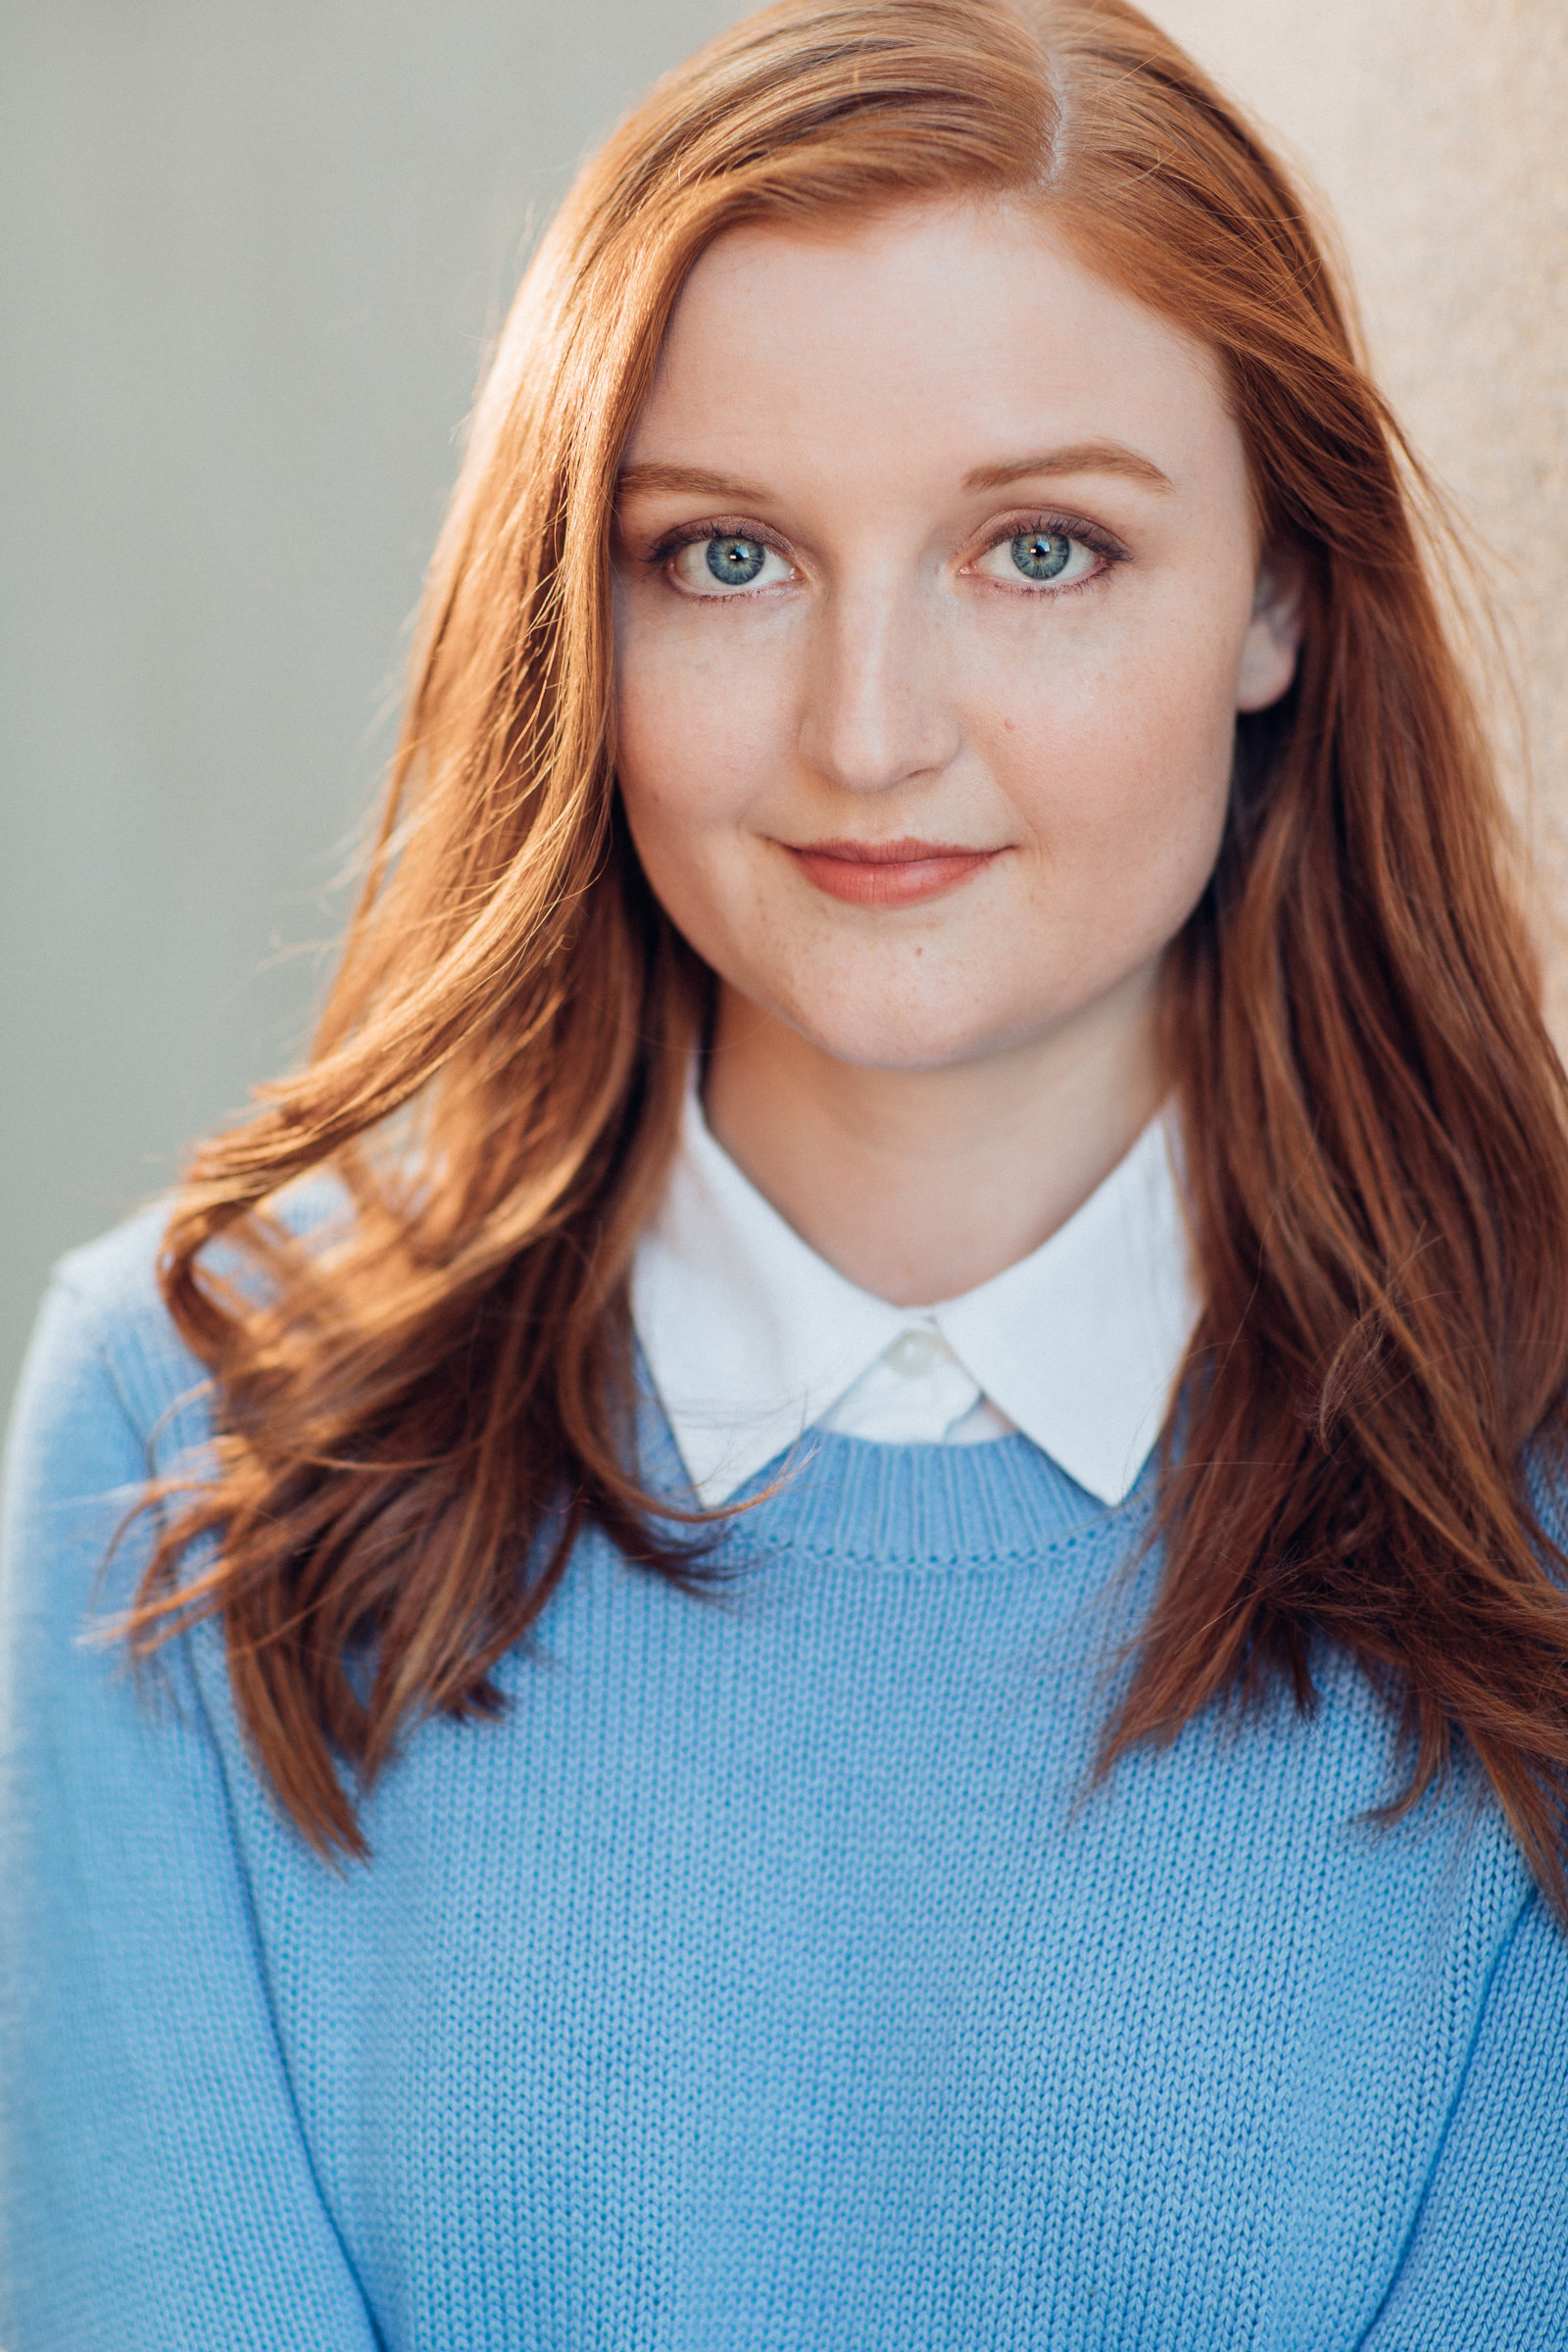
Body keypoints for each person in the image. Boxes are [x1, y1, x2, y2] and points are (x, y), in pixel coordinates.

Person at [4, 0, 1566, 2341]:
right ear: (575, 610)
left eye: (1038, 549)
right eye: (726, 558)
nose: (867, 731)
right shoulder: (184, 1425)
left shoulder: (1526, 1469)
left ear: (1276, 600)